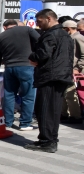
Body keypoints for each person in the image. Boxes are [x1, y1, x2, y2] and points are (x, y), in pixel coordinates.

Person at [25, 9, 74, 153]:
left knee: (45, 109)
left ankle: (47, 142)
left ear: (48, 18)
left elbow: (43, 54)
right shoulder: (65, 35)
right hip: (61, 75)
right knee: (53, 110)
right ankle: (49, 139)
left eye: (39, 21)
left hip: (50, 76)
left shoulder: (51, 34)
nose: (38, 24)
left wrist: (33, 57)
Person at [0, 19, 40, 130]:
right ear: (17, 25)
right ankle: (25, 123)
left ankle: (7, 122)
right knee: (28, 95)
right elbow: (41, 41)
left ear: (4, 27)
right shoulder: (26, 29)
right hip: (27, 66)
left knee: (9, 95)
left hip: (9, 68)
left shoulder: (0, 37)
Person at [61, 20, 84, 123]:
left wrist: (77, 68)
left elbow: (83, 54)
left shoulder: (78, 38)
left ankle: (75, 116)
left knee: (70, 93)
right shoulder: (71, 38)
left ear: (68, 29)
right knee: (64, 92)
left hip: (75, 71)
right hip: (67, 69)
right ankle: (65, 114)